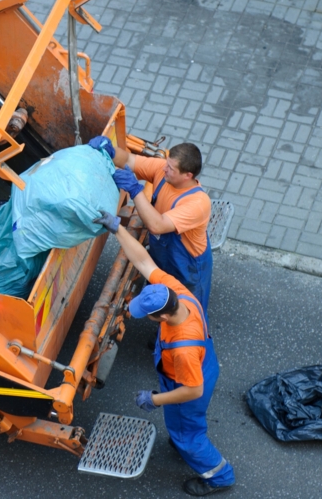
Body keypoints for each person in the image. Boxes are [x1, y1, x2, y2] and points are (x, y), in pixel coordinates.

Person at [93, 209, 235, 497]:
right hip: (203, 364)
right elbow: (144, 261)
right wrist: (116, 229)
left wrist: (154, 399)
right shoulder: (176, 293)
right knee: (185, 424)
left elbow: (192, 391)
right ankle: (182, 433)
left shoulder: (182, 348)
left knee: (188, 436)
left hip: (188, 382)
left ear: (159, 319)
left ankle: (219, 476)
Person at [87, 136, 213, 315]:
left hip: (188, 268)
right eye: (166, 164)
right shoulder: (164, 172)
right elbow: (130, 160)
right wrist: (111, 151)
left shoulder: (198, 203)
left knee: (188, 311)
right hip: (163, 256)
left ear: (188, 176)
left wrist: (135, 190)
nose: (164, 168)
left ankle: (170, 338)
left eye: (170, 168)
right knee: (162, 301)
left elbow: (157, 225)